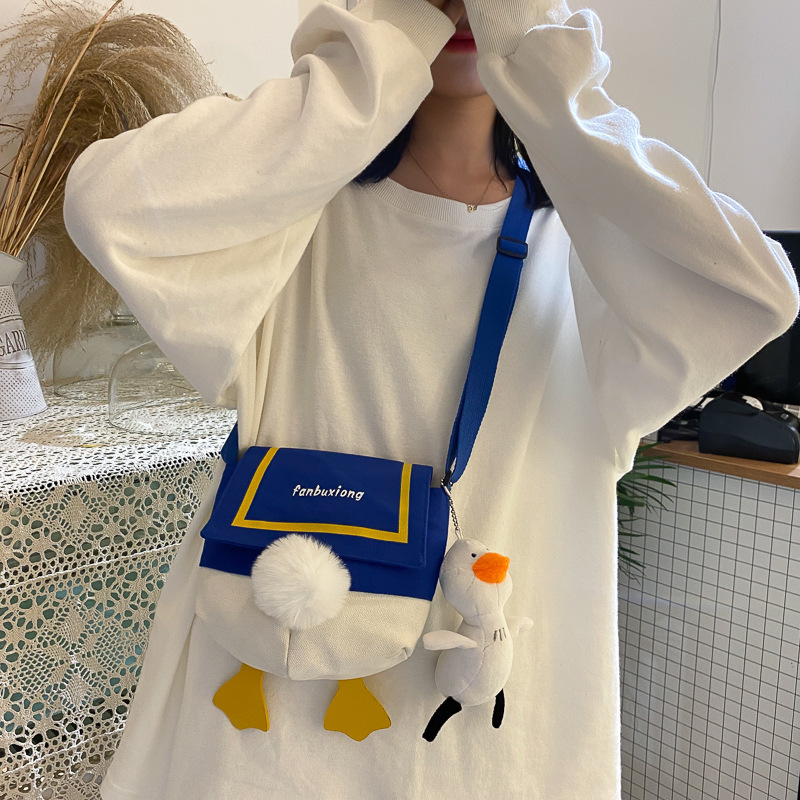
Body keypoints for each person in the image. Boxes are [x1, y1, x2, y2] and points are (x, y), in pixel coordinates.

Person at [62, 0, 799, 797]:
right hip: (271, 723)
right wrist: (379, 58)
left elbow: (757, 294)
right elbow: (105, 202)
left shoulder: (592, 263)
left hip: (481, 739)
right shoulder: (287, 223)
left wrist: (536, 63)